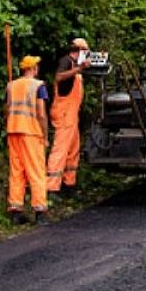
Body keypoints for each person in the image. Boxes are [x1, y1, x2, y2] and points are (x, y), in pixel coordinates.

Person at [6, 55, 50, 225]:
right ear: (34, 68)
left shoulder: (11, 85)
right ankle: (40, 212)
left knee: (16, 172)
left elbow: (7, 108)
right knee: (36, 171)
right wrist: (45, 136)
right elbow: (41, 113)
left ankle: (16, 211)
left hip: (13, 131)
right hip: (31, 133)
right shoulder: (38, 86)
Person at [48, 37, 91, 200]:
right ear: (78, 51)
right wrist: (79, 69)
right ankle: (51, 187)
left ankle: (69, 185)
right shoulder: (67, 62)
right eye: (85, 51)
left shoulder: (76, 67)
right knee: (60, 151)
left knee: (73, 151)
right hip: (64, 114)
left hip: (72, 115)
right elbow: (59, 77)